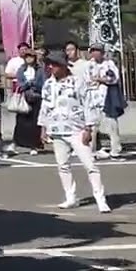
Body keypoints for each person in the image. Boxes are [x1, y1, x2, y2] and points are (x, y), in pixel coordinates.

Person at [38, 51, 111, 213]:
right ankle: (71, 196)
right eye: (49, 64)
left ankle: (100, 198)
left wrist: (88, 127)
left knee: (90, 165)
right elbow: (45, 106)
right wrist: (43, 127)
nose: (51, 67)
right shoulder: (48, 84)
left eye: (55, 64)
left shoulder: (77, 82)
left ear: (63, 66)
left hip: (77, 129)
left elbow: (88, 105)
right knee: (63, 165)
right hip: (56, 129)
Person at [85, 43, 125, 160]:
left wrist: (100, 79)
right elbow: (87, 80)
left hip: (107, 98)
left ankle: (115, 151)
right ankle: (91, 151)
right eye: (93, 51)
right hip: (92, 98)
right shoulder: (88, 65)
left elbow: (113, 78)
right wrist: (99, 80)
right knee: (92, 127)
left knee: (112, 125)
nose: (95, 53)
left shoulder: (109, 64)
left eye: (98, 51)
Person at [11, 49, 45, 155]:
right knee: (21, 122)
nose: (29, 59)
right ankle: (17, 143)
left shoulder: (40, 70)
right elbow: (20, 83)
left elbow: (42, 83)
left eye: (31, 56)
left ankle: (33, 145)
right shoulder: (21, 69)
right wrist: (27, 84)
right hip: (24, 97)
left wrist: (33, 84)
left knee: (35, 123)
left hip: (36, 97)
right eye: (27, 57)